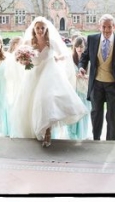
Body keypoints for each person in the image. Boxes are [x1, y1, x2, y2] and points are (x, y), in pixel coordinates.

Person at [10, 17, 88, 147]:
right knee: (31, 103)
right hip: (34, 75)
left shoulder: (51, 42)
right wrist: (24, 60)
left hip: (50, 75)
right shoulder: (29, 42)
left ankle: (47, 132)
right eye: (38, 28)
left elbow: (65, 54)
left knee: (47, 101)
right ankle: (35, 130)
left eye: (42, 28)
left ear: (46, 29)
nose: (40, 30)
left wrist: (56, 58)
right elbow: (19, 57)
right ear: (34, 29)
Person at [78, 14, 115, 141]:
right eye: (104, 27)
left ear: (114, 27)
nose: (106, 30)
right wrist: (82, 66)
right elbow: (85, 56)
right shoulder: (91, 39)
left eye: (109, 27)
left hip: (113, 84)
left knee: (113, 113)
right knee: (96, 112)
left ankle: (110, 141)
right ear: (99, 26)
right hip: (96, 83)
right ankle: (96, 139)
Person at [66, 36, 91, 140]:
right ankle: (71, 136)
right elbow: (65, 74)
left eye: (81, 46)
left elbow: (94, 76)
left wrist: (84, 76)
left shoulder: (89, 60)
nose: (79, 49)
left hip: (84, 91)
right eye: (77, 46)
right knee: (72, 114)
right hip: (73, 90)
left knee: (83, 115)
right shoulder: (71, 59)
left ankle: (82, 136)